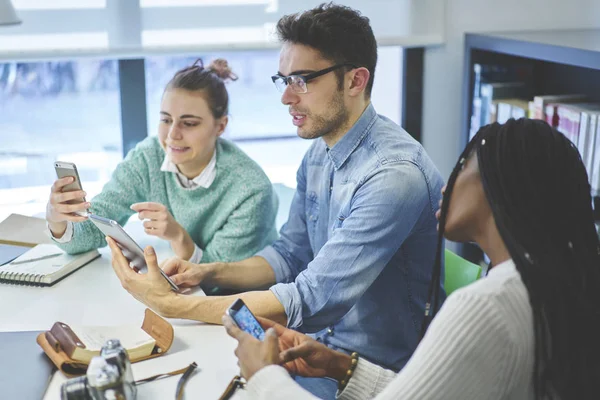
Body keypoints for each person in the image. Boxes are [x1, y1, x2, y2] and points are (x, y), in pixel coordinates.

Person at [107, 3, 443, 398]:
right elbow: (289, 255)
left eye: (301, 80)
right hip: (308, 347)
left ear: (355, 80)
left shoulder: (393, 176)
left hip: (369, 374)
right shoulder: (321, 152)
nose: (285, 97)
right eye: (282, 79)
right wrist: (209, 273)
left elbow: (310, 301)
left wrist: (174, 306)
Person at [223, 118, 600, 400]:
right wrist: (341, 366)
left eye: (460, 166)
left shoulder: (485, 305)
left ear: (498, 184)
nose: (443, 185)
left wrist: (263, 375)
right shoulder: (540, 284)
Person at [46, 59, 277, 264]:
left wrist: (178, 237)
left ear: (220, 126)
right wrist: (58, 220)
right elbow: (93, 232)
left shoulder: (251, 190)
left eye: (189, 123)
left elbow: (218, 280)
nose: (172, 135)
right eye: (166, 120)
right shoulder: (148, 157)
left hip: (246, 301)